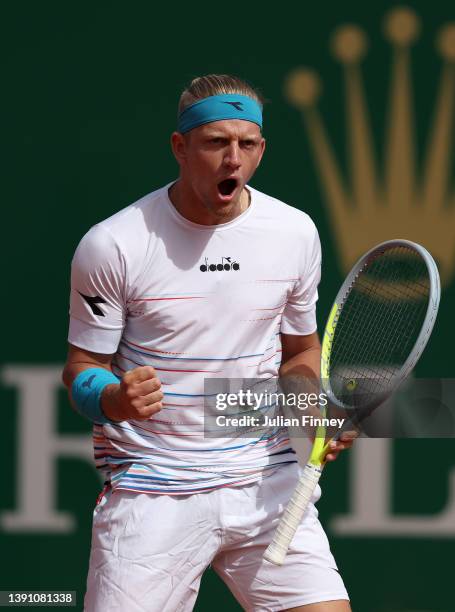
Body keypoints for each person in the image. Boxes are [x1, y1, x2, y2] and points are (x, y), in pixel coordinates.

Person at [63, 74, 354, 612]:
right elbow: (82, 368)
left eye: (247, 144)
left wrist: (312, 412)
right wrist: (114, 398)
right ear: (181, 147)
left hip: (265, 482)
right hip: (153, 491)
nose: (232, 160)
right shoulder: (113, 245)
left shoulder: (295, 233)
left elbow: (299, 355)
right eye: (216, 143)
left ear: (261, 149)